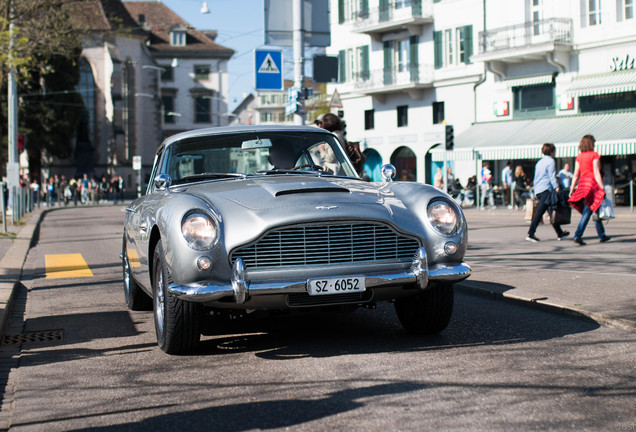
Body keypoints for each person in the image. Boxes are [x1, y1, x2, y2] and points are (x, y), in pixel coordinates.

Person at [568, 135, 610, 245]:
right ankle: (578, 234)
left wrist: (571, 189)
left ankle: (602, 235)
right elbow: (596, 172)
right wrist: (602, 188)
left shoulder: (579, 156)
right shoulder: (594, 155)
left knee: (594, 208)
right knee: (589, 209)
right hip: (592, 185)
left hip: (583, 185)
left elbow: (576, 174)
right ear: (591, 143)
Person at [526, 143, 569, 242]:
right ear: (551, 151)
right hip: (546, 189)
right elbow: (551, 176)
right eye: (554, 151)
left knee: (551, 210)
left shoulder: (539, 162)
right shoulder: (551, 161)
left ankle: (560, 233)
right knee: (540, 212)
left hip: (539, 189)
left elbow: (536, 177)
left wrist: (535, 190)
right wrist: (556, 187)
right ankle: (531, 233)